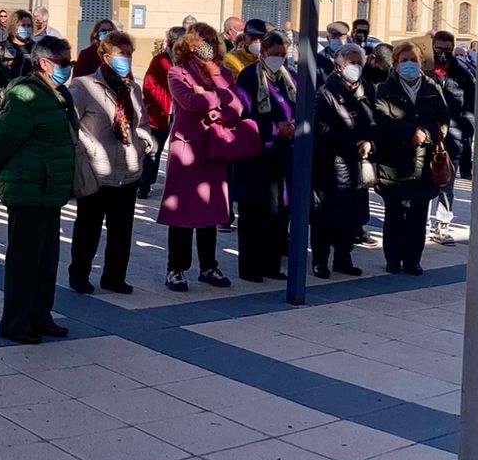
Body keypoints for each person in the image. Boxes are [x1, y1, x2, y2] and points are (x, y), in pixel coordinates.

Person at [0, 34, 77, 342]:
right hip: (28, 187)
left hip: (50, 188)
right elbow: (0, 140)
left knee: (47, 258)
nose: (68, 67)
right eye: (64, 62)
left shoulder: (59, 94)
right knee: (24, 260)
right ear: (44, 63)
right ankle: (15, 321)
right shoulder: (26, 94)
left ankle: (41, 314)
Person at [67, 28, 151, 294]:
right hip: (97, 170)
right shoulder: (84, 86)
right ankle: (79, 274)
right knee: (88, 228)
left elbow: (143, 122)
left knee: (121, 230)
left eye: (128, 53)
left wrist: (143, 143)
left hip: (127, 170)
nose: (125, 58)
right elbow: (70, 123)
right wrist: (89, 148)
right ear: (105, 56)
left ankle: (115, 277)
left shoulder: (133, 89)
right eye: (119, 53)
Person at [157, 24, 238, 291]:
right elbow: (189, 103)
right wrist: (217, 101)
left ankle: (209, 266)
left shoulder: (222, 72)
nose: (209, 46)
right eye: (203, 41)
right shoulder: (177, 72)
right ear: (190, 44)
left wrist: (212, 90)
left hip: (213, 147)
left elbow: (236, 106)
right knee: (182, 210)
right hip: (187, 149)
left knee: (211, 208)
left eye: (212, 41)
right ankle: (176, 268)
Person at [368, 39, 450, 275]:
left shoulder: (432, 89)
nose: (409, 65)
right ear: (395, 65)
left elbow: (444, 117)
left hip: (425, 162)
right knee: (394, 214)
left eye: (413, 60)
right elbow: (381, 118)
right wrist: (408, 132)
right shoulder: (385, 89)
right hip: (395, 162)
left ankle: (413, 259)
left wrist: (429, 133)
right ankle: (393, 259)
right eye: (404, 61)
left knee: (418, 215)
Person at [232, 29, 299, 280]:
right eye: (274, 54)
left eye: (283, 54)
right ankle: (250, 268)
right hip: (257, 156)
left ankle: (272, 265)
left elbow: (300, 107)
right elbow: (243, 116)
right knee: (254, 212)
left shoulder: (290, 77)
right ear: (264, 52)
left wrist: (294, 126)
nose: (279, 58)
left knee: (279, 212)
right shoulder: (249, 77)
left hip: (284, 156)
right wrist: (273, 127)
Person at [312, 39, 374, 278]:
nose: (355, 67)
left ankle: (343, 258)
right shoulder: (326, 92)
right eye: (351, 63)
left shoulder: (366, 89)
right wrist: (353, 144)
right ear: (339, 66)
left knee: (350, 215)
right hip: (331, 162)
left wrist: (369, 142)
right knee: (325, 214)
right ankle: (320, 260)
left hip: (358, 163)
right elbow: (324, 128)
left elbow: (373, 122)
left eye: (359, 63)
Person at [429, 28, 476, 241]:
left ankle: (442, 223)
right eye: (438, 48)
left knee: (446, 181)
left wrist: (465, 130)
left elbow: (472, 105)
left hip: (454, 136)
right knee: (423, 181)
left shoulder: (463, 74)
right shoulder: (425, 71)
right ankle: (421, 223)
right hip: (427, 134)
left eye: (446, 49)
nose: (442, 53)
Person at [139, 26, 182, 201]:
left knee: (176, 149)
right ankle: (145, 184)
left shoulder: (185, 61)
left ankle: (173, 183)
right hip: (161, 111)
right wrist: (159, 101)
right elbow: (148, 85)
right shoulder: (159, 60)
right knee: (154, 149)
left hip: (179, 112)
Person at [0, 11, 36, 127]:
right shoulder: (0, 48)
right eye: (22, 25)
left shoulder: (36, 49)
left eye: (29, 26)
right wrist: (0, 95)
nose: (26, 28)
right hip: (4, 103)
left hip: (29, 103)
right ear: (14, 26)